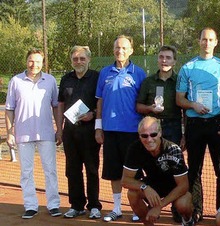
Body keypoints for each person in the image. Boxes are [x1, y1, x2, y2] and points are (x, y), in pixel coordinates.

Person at [176, 27, 220, 221]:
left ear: (216, 42)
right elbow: (179, 99)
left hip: (217, 123)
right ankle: (196, 210)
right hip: (195, 124)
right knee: (194, 170)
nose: (207, 43)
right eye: (204, 39)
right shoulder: (187, 68)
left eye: (210, 39)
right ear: (199, 41)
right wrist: (193, 104)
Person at [5, 49, 63, 219]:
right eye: (31, 60)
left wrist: (59, 130)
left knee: (50, 170)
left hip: (46, 133)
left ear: (43, 63)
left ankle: (53, 204)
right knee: (26, 172)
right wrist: (10, 133)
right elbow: (9, 109)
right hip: (23, 134)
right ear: (26, 61)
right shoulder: (15, 81)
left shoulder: (50, 80)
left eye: (38, 61)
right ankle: (30, 205)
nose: (34, 64)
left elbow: (55, 106)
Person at [95, 35, 147, 222]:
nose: (120, 51)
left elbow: (143, 102)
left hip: (132, 131)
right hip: (110, 130)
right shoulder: (104, 73)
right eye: (117, 47)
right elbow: (99, 101)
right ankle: (116, 208)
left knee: (135, 172)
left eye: (124, 48)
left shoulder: (139, 73)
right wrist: (98, 127)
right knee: (113, 171)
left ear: (131, 50)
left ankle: (135, 208)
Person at [56, 46, 102, 219]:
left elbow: (101, 102)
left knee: (91, 168)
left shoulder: (96, 78)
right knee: (72, 169)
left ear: (89, 59)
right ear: (71, 61)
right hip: (70, 131)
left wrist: (93, 115)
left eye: (82, 58)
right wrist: (59, 129)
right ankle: (76, 205)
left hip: (89, 131)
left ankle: (94, 206)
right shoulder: (66, 79)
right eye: (75, 59)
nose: (79, 62)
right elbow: (61, 104)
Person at [122, 116, 194, 226]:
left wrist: (158, 206)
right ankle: (148, 223)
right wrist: (144, 187)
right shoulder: (134, 148)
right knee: (132, 194)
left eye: (153, 134)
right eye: (144, 136)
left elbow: (183, 185)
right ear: (139, 136)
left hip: (174, 186)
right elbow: (125, 180)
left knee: (183, 204)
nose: (149, 139)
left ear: (160, 133)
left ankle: (188, 220)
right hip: (152, 185)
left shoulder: (173, 149)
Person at [137, 45, 184, 145]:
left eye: (168, 58)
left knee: (172, 158)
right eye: (161, 57)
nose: (164, 60)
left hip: (173, 127)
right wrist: (150, 108)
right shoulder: (148, 82)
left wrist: (185, 134)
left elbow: (185, 109)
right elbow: (138, 107)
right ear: (157, 60)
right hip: (151, 127)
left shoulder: (180, 82)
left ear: (174, 62)